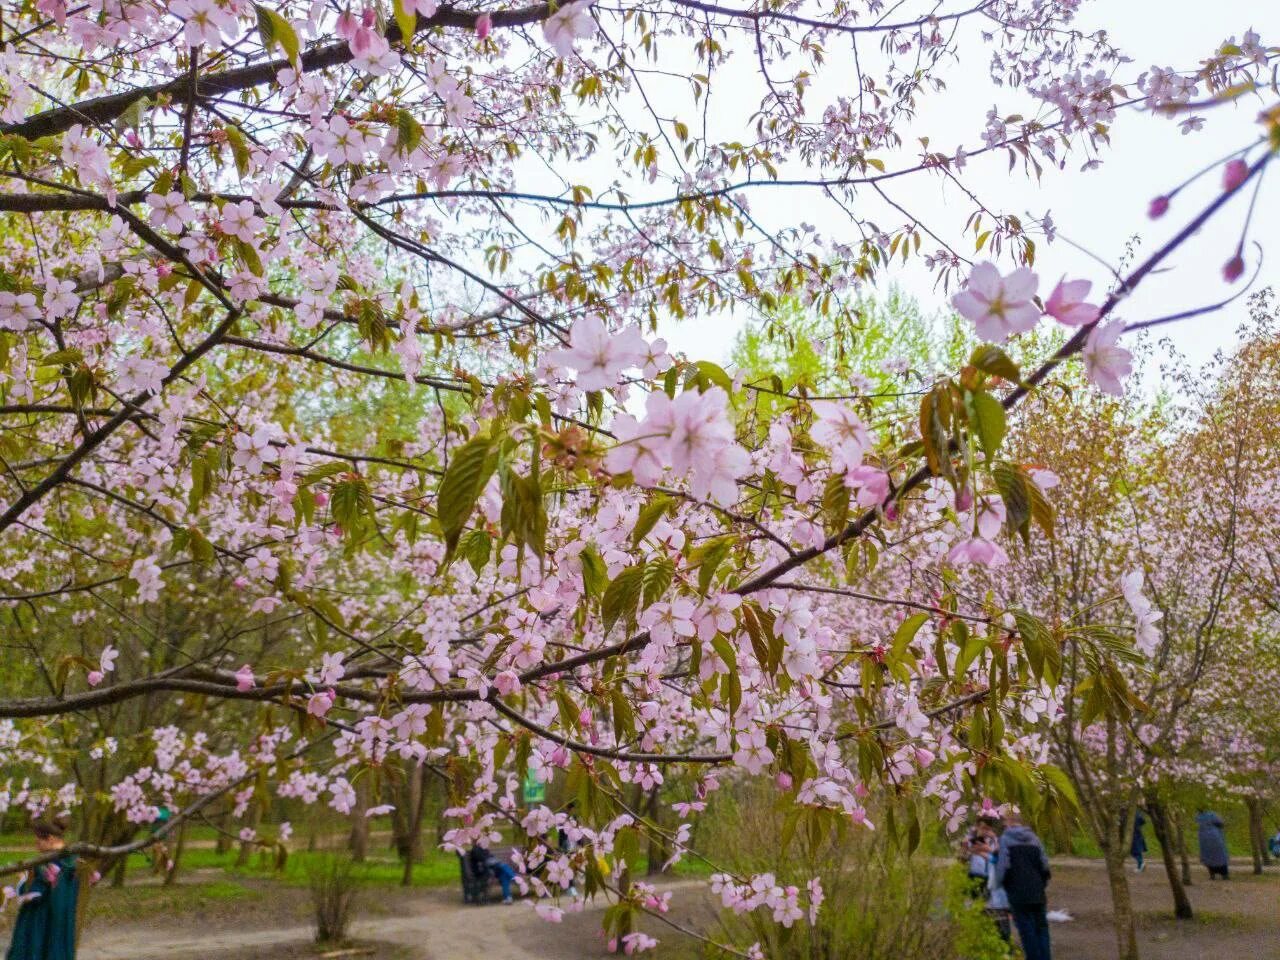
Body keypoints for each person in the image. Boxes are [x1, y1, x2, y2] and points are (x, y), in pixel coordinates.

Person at [5, 816, 79, 960]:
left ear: (50, 839)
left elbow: (33, 895)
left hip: (40, 924)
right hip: (62, 921)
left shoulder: (45, 864)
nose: (35, 844)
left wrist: (22, 880)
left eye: (38, 839)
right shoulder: (74, 860)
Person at [995, 808, 1052, 960]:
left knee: (1027, 932)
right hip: (1037, 892)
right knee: (1042, 930)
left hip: (1017, 893)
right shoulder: (1035, 839)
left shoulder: (1005, 839)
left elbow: (1003, 867)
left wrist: (997, 885)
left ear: (1008, 821)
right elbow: (1045, 865)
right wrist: (1041, 884)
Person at [984, 833, 1012, 944]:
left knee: (1001, 923)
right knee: (999, 921)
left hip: (1000, 897)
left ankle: (1005, 945)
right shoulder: (997, 855)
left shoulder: (999, 855)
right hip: (998, 896)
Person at [1196, 809, 1229, 880]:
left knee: (1208, 856)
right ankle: (1225, 875)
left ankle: (1212, 874)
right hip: (1215, 837)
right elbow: (1220, 823)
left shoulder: (1198, 816)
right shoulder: (1212, 814)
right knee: (1220, 855)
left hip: (1203, 838)